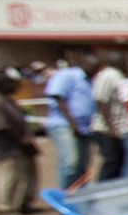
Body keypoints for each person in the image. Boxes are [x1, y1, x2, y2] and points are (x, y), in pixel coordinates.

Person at [0, 69, 39, 215]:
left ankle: (22, 203)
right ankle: (5, 208)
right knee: (9, 177)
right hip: (6, 147)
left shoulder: (8, 100)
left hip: (19, 146)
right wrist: (20, 139)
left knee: (25, 175)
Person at [41, 52, 97, 189]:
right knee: (70, 162)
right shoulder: (67, 75)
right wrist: (74, 125)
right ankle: (66, 195)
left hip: (84, 127)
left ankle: (80, 195)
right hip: (64, 124)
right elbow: (59, 98)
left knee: (83, 164)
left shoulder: (91, 79)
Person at [89, 52, 128, 182]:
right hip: (106, 128)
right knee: (111, 162)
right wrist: (111, 127)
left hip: (119, 128)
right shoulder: (108, 75)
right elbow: (101, 100)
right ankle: (102, 192)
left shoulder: (119, 75)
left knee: (119, 162)